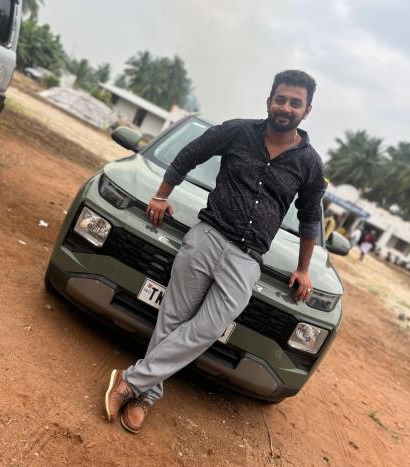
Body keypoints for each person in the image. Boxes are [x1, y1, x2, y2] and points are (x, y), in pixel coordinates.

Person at [104, 70, 327, 433]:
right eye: (281, 99)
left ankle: (131, 381)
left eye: (295, 103)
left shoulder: (310, 164)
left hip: (247, 258)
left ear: (307, 110)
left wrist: (303, 268)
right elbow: (189, 154)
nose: (286, 108)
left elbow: (310, 218)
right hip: (208, 236)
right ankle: (145, 396)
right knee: (173, 319)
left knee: (207, 328)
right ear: (269, 101)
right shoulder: (238, 131)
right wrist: (160, 195)